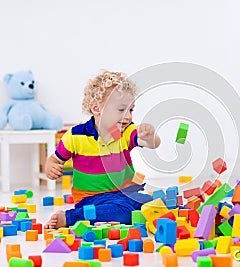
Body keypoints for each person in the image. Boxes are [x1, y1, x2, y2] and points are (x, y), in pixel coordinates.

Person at [44, 70, 160, 229]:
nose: (128, 117)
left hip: (126, 193)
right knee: (121, 213)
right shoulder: (75, 136)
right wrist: (50, 167)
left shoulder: (125, 132)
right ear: (97, 109)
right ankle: (70, 217)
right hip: (92, 199)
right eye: (121, 110)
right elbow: (54, 159)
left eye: (131, 110)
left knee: (156, 205)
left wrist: (149, 136)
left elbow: (151, 143)